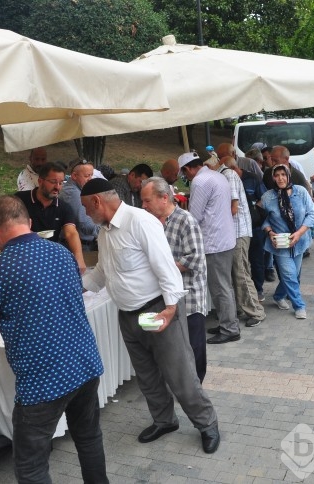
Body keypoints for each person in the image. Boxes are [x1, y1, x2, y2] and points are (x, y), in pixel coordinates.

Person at [0, 196, 107, 483]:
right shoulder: (61, 253)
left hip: (43, 380)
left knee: (31, 466)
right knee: (89, 438)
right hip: (85, 363)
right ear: (28, 223)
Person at [79, 178, 221, 454]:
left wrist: (170, 309)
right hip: (128, 317)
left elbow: (166, 266)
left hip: (158, 310)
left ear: (97, 201)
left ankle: (207, 424)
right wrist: (75, 287)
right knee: (147, 376)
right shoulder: (105, 232)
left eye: (86, 207)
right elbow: (102, 272)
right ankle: (164, 421)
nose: (85, 213)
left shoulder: (139, 221)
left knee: (179, 374)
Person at [140, 177, 208, 383]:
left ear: (164, 198)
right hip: (165, 297)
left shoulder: (185, 220)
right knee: (173, 350)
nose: (143, 206)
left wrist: (162, 268)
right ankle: (180, 387)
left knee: (193, 350)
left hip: (189, 298)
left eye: (147, 201)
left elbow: (194, 259)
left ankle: (196, 390)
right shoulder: (149, 222)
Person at [179, 151, 241, 344]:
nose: (186, 178)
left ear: (188, 168)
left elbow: (194, 216)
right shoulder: (216, 175)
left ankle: (230, 328)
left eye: (185, 174)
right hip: (224, 239)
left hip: (215, 242)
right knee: (224, 286)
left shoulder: (200, 181)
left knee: (220, 287)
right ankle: (227, 323)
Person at [206, 154, 266, 328]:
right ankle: (242, 308)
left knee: (241, 273)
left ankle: (255, 311)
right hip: (235, 232)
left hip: (238, 231)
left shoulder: (229, 175)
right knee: (237, 272)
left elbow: (233, 208)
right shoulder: (226, 175)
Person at [260, 164, 314, 319]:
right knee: (289, 275)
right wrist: (270, 232)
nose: (280, 178)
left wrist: (299, 233)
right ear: (273, 178)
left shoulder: (301, 192)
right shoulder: (268, 197)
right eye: (277, 175)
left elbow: (311, 214)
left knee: (294, 275)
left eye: (283, 174)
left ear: (288, 175)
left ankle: (278, 296)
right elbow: (262, 219)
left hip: (299, 241)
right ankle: (299, 306)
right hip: (280, 244)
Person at [14, 161, 86, 273]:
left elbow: (71, 233)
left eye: (61, 183)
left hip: (49, 257)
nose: (57, 187)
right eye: (53, 182)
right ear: (40, 181)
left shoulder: (64, 207)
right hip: (22, 255)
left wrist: (79, 258)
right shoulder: (19, 200)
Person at [59, 160, 100, 252]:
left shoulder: (79, 189)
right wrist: (104, 230)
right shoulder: (72, 193)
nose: (90, 179)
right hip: (78, 246)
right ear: (74, 176)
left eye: (91, 175)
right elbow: (85, 224)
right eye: (86, 176)